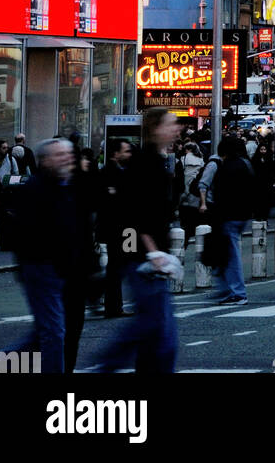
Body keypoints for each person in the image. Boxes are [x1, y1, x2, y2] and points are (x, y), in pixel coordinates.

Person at [102, 109, 182, 373]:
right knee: (155, 329)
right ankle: (105, 366)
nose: (177, 129)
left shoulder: (156, 160)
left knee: (156, 332)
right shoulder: (145, 162)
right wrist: (153, 252)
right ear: (156, 128)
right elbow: (137, 211)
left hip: (150, 254)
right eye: (172, 124)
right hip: (145, 257)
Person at [1, 138, 90, 372]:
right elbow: (22, 234)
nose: (67, 159)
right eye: (60, 155)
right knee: (53, 333)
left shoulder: (68, 187)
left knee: (45, 334)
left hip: (64, 272)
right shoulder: (35, 189)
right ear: (45, 160)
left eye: (68, 155)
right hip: (42, 269)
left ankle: (2, 362)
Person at [209, 136, 256, 306]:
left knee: (230, 254)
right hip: (242, 214)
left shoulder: (227, 167)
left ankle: (237, 292)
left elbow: (221, 194)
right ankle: (228, 289)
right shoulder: (246, 164)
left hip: (228, 215)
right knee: (228, 253)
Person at [98, 139, 135, 318]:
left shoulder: (123, 172)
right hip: (117, 229)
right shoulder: (109, 173)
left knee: (120, 266)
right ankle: (111, 305)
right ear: (115, 154)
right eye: (126, 151)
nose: (129, 154)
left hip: (124, 229)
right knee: (117, 266)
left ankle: (114, 305)